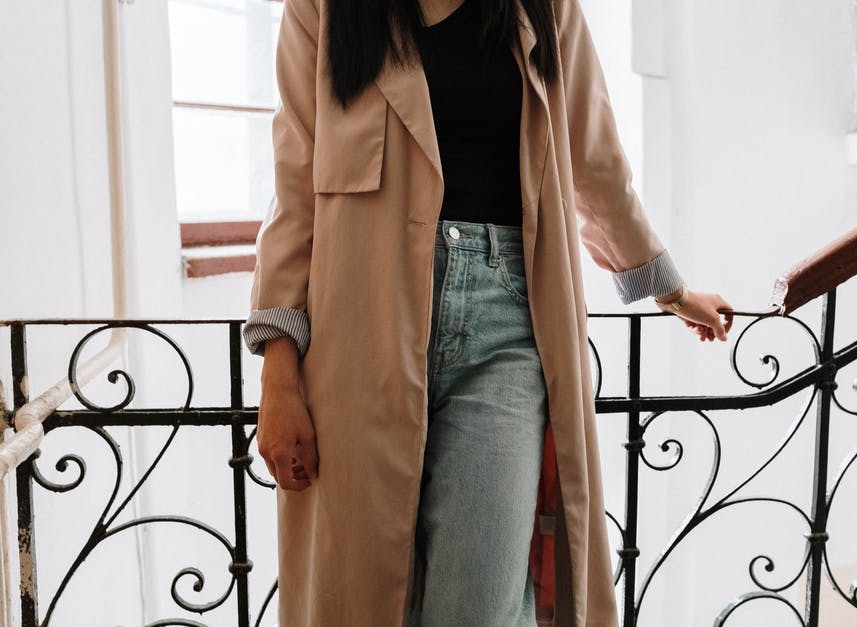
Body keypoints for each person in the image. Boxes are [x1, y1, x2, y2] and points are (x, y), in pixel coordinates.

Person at [242, 0, 734, 625]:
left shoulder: (543, 7)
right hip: (358, 331)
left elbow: (593, 151)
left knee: (479, 606)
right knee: (360, 596)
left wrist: (666, 286)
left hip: (508, 325)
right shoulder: (324, 9)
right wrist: (277, 376)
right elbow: (293, 188)